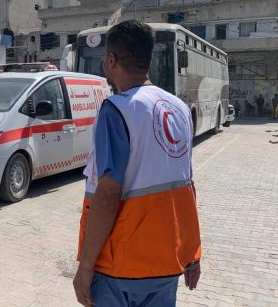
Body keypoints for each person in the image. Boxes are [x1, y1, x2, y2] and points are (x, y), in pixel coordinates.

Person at [73, 20, 201, 307]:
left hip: (121, 265)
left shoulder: (116, 109)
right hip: (166, 261)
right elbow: (186, 185)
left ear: (111, 60)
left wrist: (85, 267)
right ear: (148, 59)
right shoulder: (179, 108)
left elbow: (108, 193)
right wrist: (192, 254)